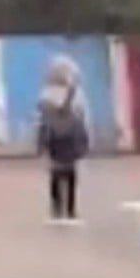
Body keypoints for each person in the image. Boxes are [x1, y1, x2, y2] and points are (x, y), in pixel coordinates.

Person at [37, 56, 90, 223]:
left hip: (59, 138)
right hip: (64, 138)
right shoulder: (69, 93)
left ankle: (60, 208)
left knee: (61, 174)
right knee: (65, 174)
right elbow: (80, 117)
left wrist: (42, 143)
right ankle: (66, 208)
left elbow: (42, 119)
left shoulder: (47, 94)